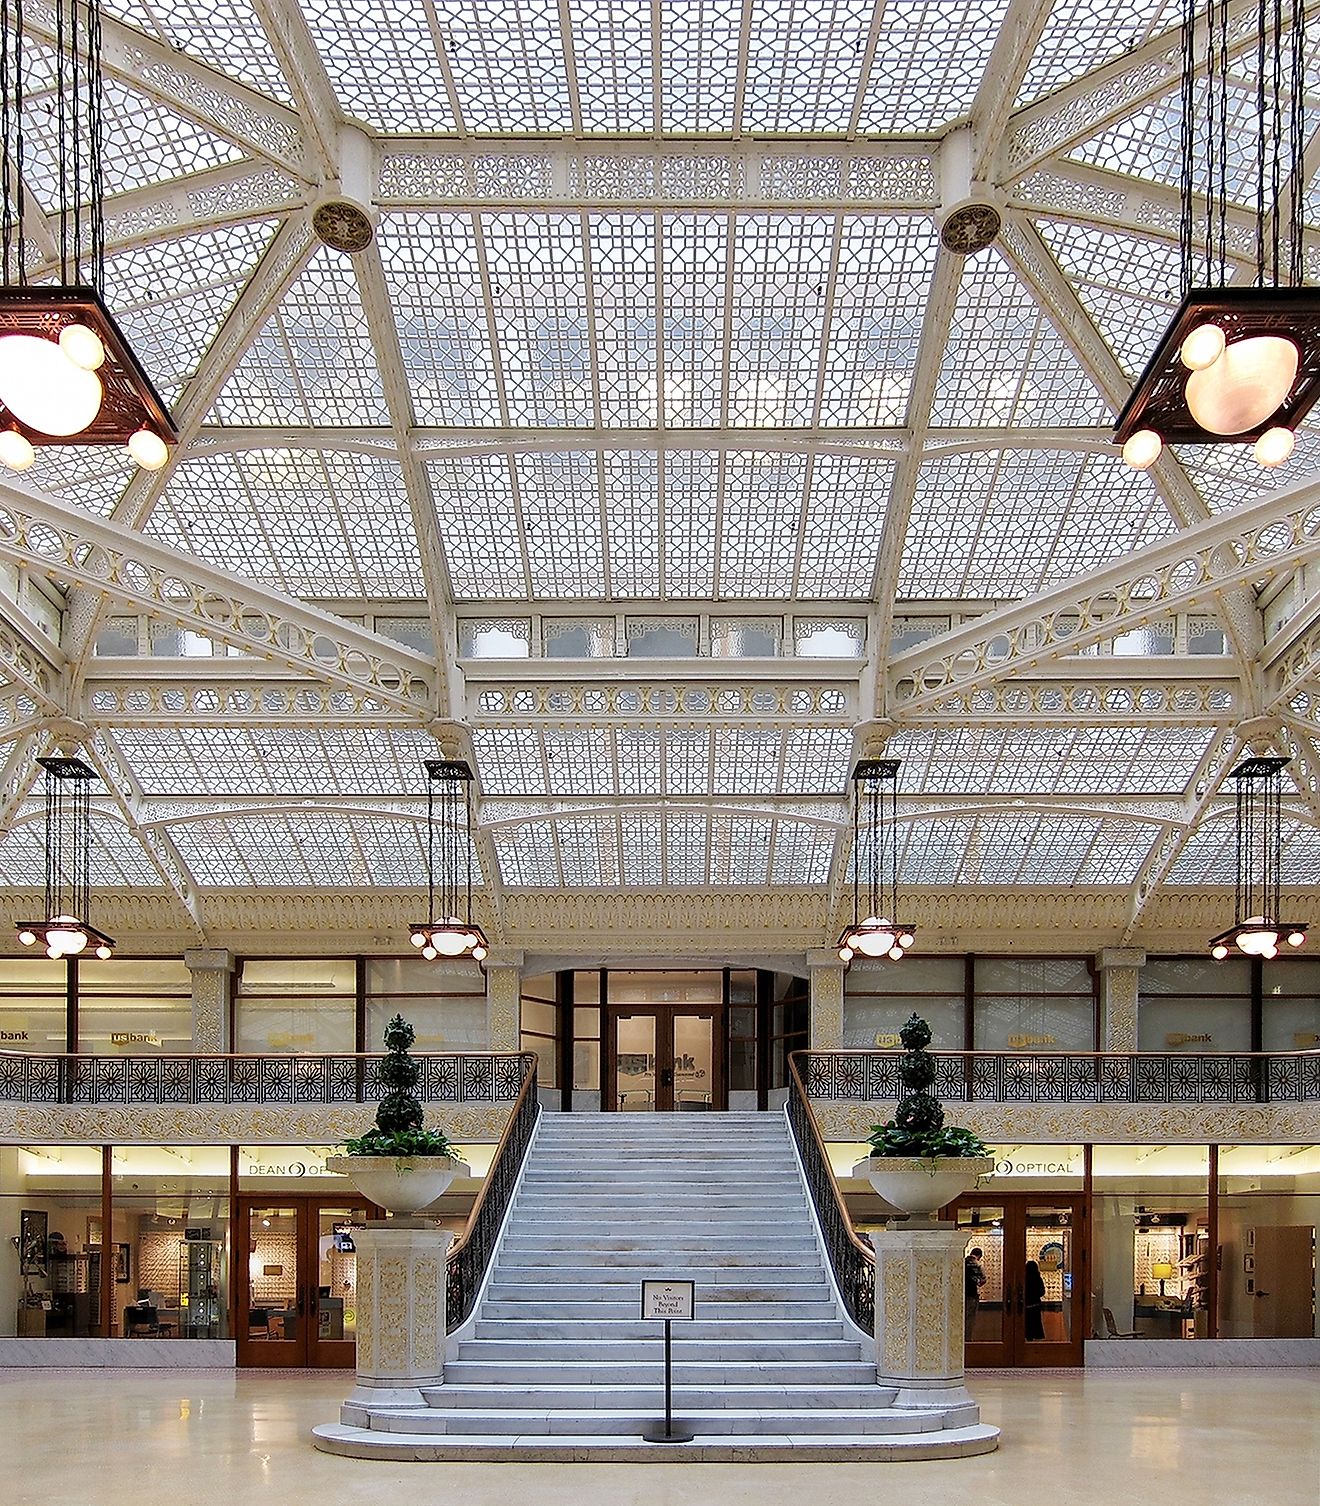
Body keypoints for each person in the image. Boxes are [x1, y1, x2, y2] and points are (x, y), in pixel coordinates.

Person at [963, 1247, 986, 1339]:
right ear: (979, 1256)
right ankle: (967, 1342)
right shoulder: (977, 1264)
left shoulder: (961, 1262)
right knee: (969, 1320)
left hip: (960, 1295)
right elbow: (981, 1281)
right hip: (971, 1295)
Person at [1024, 1258, 1046, 1341]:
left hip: (1026, 1305)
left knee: (1027, 1324)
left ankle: (1027, 1338)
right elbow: (1042, 1292)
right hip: (1035, 1304)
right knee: (1035, 1322)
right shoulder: (1038, 1278)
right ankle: (1036, 1340)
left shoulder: (1023, 1279)